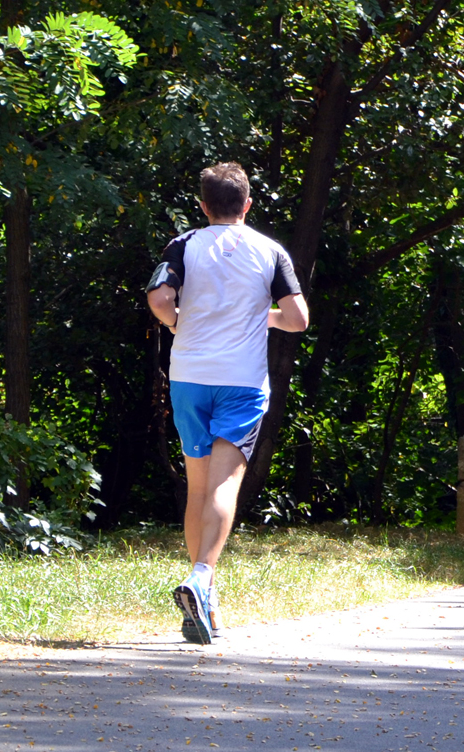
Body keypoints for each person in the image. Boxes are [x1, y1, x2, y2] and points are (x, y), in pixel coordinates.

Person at [146, 163, 309, 645]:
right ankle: (200, 576)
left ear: (202, 205)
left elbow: (158, 297)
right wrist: (266, 319)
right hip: (241, 382)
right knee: (224, 488)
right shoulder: (270, 250)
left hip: (189, 377)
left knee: (198, 489)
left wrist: (177, 322)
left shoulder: (184, 245)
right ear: (248, 203)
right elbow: (298, 318)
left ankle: (206, 603)